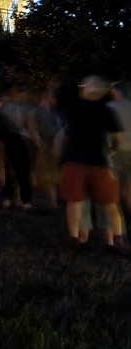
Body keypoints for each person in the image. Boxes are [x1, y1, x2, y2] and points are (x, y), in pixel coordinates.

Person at [58, 75, 124, 250]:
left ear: (87, 89)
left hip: (74, 160)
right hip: (99, 161)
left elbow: (65, 129)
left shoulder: (73, 107)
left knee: (75, 201)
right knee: (109, 203)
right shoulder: (107, 111)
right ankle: (117, 239)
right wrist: (111, 152)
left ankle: (74, 238)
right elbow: (118, 140)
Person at [108, 81, 131, 217]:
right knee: (128, 185)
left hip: (115, 150)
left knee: (114, 185)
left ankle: (117, 216)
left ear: (116, 92)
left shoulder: (110, 107)